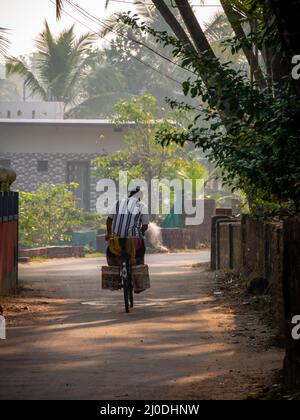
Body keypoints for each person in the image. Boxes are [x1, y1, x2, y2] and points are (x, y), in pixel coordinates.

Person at [106, 187, 149, 266]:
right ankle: (138, 265)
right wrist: (141, 232)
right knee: (141, 247)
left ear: (130, 194)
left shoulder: (117, 203)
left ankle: (112, 266)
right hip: (133, 240)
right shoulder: (142, 206)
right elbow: (145, 226)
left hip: (116, 239)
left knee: (109, 249)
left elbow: (109, 220)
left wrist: (109, 233)